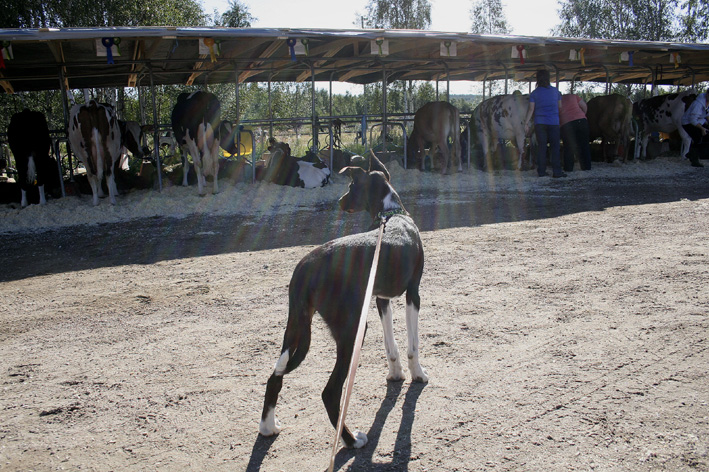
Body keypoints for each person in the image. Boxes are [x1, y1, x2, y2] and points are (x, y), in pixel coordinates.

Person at [525, 69, 565, 177]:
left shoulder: (534, 93)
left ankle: (541, 171)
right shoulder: (555, 91)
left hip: (540, 123)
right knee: (555, 147)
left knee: (542, 147)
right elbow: (560, 107)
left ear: (537, 79)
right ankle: (557, 172)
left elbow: (531, 109)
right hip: (554, 122)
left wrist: (526, 123)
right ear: (548, 78)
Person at [559, 93, 592, 171]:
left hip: (567, 123)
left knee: (568, 146)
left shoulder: (556, 100)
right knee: (584, 144)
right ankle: (586, 167)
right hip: (581, 121)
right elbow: (584, 106)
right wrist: (582, 115)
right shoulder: (572, 96)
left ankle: (569, 168)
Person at [681, 92, 709, 168]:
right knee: (698, 138)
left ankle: (690, 154)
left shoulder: (707, 103)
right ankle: (694, 160)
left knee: (706, 135)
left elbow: (707, 115)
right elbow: (692, 120)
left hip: (699, 120)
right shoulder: (698, 104)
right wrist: (702, 129)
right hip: (687, 122)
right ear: (707, 94)